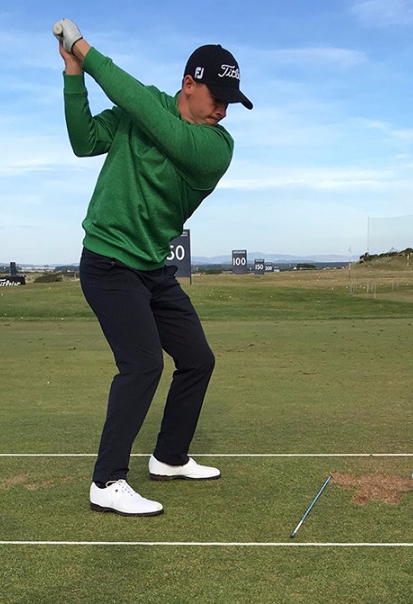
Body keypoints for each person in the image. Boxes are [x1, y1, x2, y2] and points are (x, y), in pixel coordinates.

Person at [55, 18, 252, 516]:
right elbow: (84, 140)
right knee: (143, 364)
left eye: (231, 102)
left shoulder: (216, 148)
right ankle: (107, 481)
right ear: (189, 84)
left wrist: (84, 48)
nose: (223, 109)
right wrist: (74, 73)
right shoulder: (143, 110)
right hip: (108, 262)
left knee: (197, 359)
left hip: (152, 268)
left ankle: (168, 457)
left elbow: (145, 110)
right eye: (218, 97)